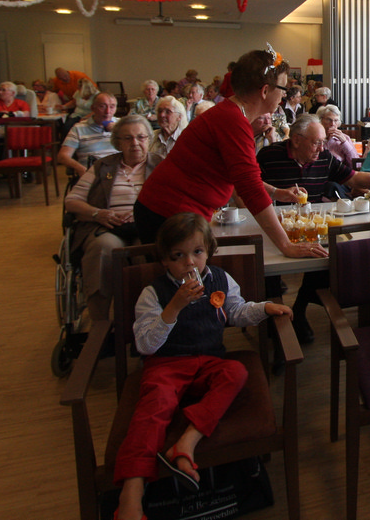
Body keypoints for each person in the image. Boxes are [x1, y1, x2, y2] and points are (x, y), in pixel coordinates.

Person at [112, 212, 292, 520]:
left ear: (208, 251)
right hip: (166, 363)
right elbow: (145, 344)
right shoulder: (154, 293)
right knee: (154, 406)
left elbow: (236, 311)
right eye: (178, 256)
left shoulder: (220, 280)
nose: (190, 263)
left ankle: (187, 441)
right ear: (165, 260)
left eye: (197, 252)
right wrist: (174, 306)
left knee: (236, 372)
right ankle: (132, 488)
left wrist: (264, 308)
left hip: (210, 360)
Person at [133, 47, 326, 265]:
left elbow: (240, 176)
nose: (284, 95)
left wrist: (276, 192)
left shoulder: (230, 114)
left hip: (172, 211)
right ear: (265, 91)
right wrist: (286, 245)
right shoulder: (233, 121)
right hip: (168, 214)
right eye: (283, 89)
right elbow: (249, 188)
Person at [257, 114, 370, 342]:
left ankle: (299, 310)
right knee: (268, 272)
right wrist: (275, 192)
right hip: (273, 225)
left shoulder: (324, 157)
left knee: (328, 260)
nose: (322, 148)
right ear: (296, 140)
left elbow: (353, 179)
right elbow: (250, 184)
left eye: (323, 142)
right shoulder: (269, 155)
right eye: (316, 142)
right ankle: (276, 321)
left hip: (312, 225)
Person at [65, 115, 161, 320]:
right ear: (117, 142)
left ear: (149, 139)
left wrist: (144, 214)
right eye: (127, 138)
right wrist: (97, 213)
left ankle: (146, 318)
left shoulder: (161, 165)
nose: (135, 143)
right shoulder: (102, 166)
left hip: (147, 227)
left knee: (144, 250)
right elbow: (72, 201)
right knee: (104, 248)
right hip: (106, 227)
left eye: (141, 137)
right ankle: (100, 321)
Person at [57, 93, 119, 176]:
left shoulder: (123, 125)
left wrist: (120, 132)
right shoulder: (79, 128)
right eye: (102, 106)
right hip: (92, 174)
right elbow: (62, 156)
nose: (107, 112)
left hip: (120, 173)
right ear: (93, 108)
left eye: (112, 107)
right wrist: (80, 168)